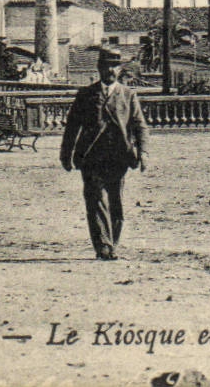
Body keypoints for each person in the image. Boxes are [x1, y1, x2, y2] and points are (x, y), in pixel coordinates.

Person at [60, 47, 147, 260]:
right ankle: (103, 246)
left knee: (116, 202)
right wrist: (66, 153)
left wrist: (143, 152)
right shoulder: (86, 95)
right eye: (107, 65)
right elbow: (72, 126)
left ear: (120, 69)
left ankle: (112, 243)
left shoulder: (128, 95)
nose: (111, 70)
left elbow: (139, 125)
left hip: (118, 157)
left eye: (115, 66)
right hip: (91, 158)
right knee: (95, 200)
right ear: (99, 68)